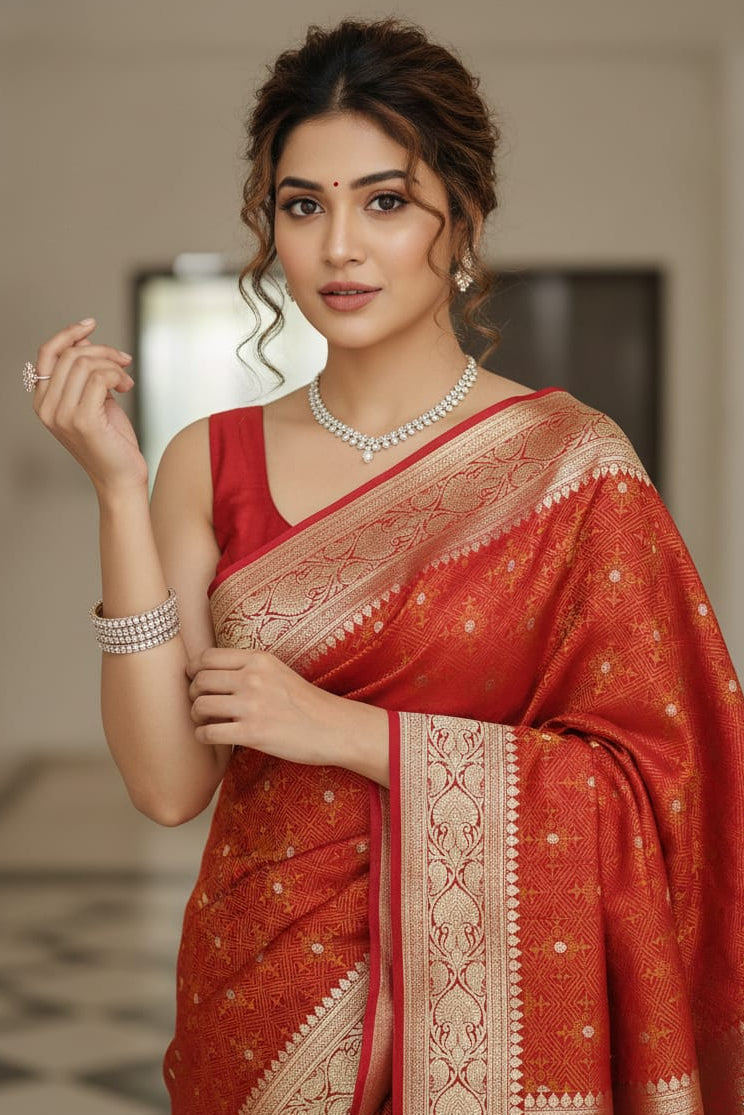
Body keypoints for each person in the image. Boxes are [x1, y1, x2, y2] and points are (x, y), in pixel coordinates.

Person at [24, 17, 743, 1115]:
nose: (340, 246)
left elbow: (664, 786)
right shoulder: (206, 459)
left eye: (386, 201)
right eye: (302, 205)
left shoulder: (573, 466)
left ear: (462, 224)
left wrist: (345, 731)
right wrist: (118, 492)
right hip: (266, 999)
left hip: (509, 1005)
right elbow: (168, 784)